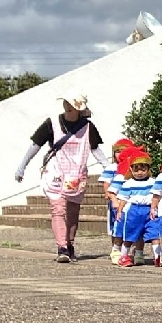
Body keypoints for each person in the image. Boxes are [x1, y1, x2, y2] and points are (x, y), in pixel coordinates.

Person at [14, 95, 105, 262]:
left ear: (79, 108)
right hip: (55, 173)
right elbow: (35, 145)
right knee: (58, 209)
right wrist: (22, 166)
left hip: (76, 175)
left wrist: (108, 167)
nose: (68, 106)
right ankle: (62, 248)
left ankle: (70, 244)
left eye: (73, 104)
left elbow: (95, 148)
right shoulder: (52, 123)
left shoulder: (87, 126)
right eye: (66, 102)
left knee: (73, 212)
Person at [113, 148, 156, 266]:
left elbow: (156, 196)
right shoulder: (128, 183)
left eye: (143, 169)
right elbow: (123, 199)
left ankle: (153, 256)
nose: (140, 172)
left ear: (148, 169)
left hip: (148, 210)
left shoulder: (153, 182)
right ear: (131, 169)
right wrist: (120, 211)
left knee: (150, 234)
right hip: (133, 210)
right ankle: (123, 256)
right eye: (136, 169)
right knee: (130, 234)